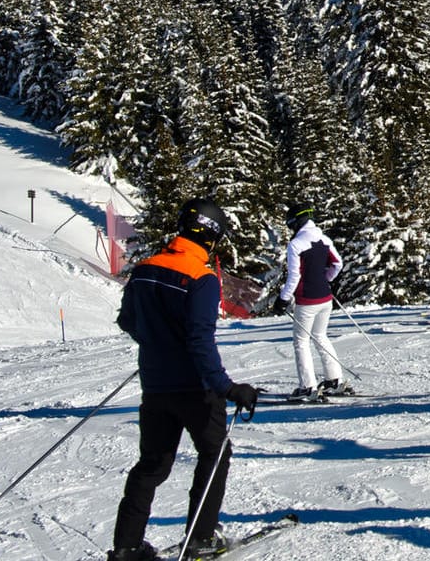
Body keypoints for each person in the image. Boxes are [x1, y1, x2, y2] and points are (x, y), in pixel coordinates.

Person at [109, 200, 260, 561]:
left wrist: (158, 344)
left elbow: (128, 322)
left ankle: (126, 547)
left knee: (153, 464)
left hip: (156, 385)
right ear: (212, 236)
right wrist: (227, 387)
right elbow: (199, 340)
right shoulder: (203, 277)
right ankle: (201, 538)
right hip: (195, 388)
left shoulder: (144, 269)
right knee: (214, 453)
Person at [275, 201, 347, 398]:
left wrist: (283, 298)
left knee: (301, 341)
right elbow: (337, 264)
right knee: (321, 336)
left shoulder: (296, 244)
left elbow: (294, 277)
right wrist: (325, 279)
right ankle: (334, 380)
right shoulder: (324, 239)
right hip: (325, 298)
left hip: (307, 300)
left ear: (297, 223)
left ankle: (307, 387)